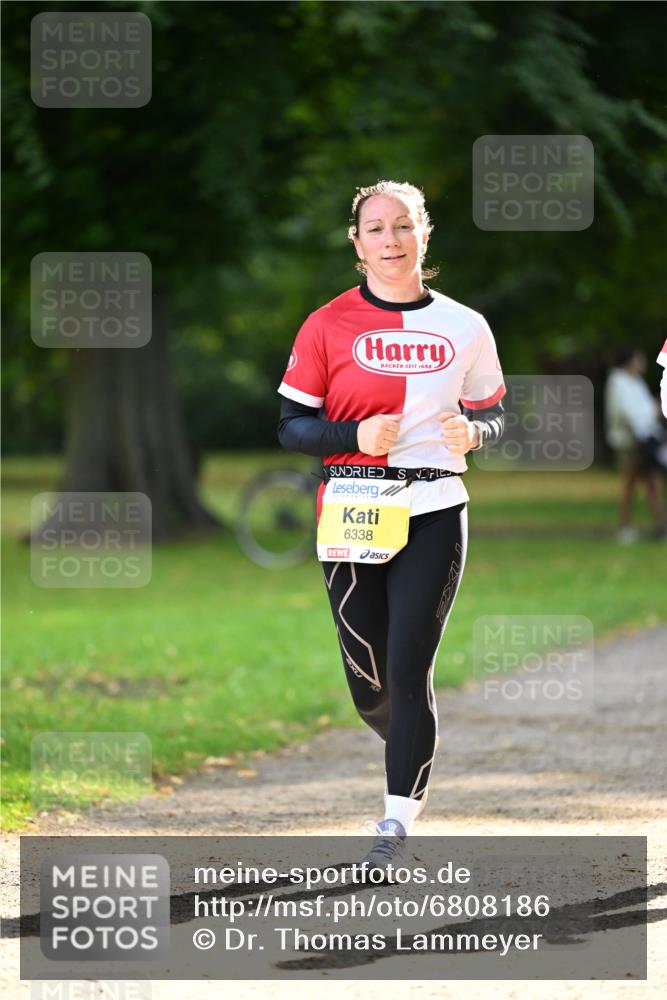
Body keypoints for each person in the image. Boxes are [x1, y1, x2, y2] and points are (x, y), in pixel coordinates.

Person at [276, 180, 506, 872]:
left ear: (423, 235)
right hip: (351, 508)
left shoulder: (465, 325)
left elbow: (495, 413)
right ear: (356, 244)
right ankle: (409, 735)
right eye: (375, 229)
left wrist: (476, 431)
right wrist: (353, 433)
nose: (390, 240)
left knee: (409, 671)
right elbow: (290, 427)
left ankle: (393, 823)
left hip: (435, 508)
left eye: (402, 226)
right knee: (369, 684)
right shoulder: (324, 325)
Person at [604, 347, 667, 543]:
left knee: (646, 482)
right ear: (629, 362)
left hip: (644, 439)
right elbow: (627, 412)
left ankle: (656, 525)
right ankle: (631, 526)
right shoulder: (618, 382)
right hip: (630, 442)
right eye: (639, 360)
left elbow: (645, 408)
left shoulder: (635, 382)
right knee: (639, 483)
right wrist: (653, 410)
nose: (642, 364)